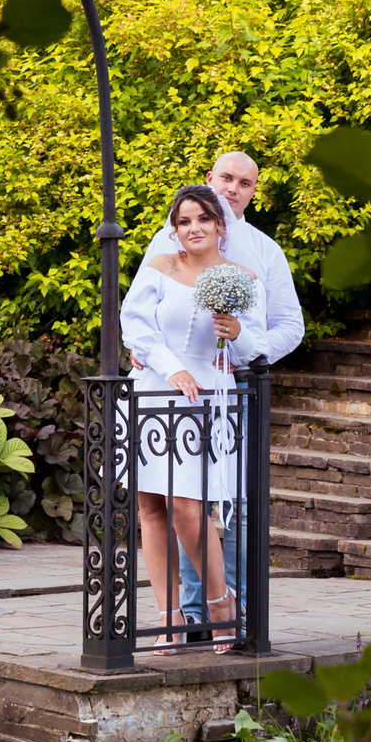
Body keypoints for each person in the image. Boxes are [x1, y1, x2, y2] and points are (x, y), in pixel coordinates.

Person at [139, 150, 305, 636]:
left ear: (255, 192)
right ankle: (194, 615)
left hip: (236, 391)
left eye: (245, 183)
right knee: (179, 502)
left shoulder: (264, 252)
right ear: (210, 179)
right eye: (227, 178)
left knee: (233, 505)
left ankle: (239, 616)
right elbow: (145, 315)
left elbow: (290, 326)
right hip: (175, 391)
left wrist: (247, 354)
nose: (234, 188)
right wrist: (152, 355)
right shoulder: (171, 241)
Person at [117, 184, 247, 651]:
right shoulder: (159, 266)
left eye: (203, 219)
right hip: (152, 392)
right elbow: (135, 323)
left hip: (204, 402)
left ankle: (219, 604)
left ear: (220, 225)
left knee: (189, 511)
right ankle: (168, 618)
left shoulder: (239, 276)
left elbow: (251, 351)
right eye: (184, 221)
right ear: (174, 229)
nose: (194, 228)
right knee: (151, 508)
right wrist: (169, 369)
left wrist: (236, 331)